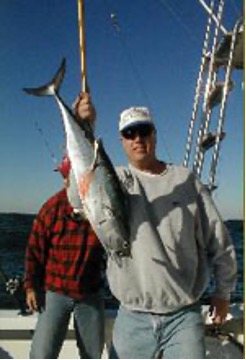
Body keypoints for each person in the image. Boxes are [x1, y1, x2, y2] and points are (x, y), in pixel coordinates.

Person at [74, 93, 237, 359]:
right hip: (132, 316)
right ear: (122, 141)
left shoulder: (186, 180)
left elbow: (218, 239)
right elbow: (76, 193)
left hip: (184, 316)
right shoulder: (114, 178)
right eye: (129, 133)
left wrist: (223, 291)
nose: (137, 138)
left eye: (143, 130)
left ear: (154, 134)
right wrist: (84, 127)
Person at [24, 155, 106, 359]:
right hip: (55, 293)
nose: (65, 180)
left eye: (68, 175)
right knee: (41, 354)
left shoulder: (100, 205)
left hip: (91, 293)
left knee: (92, 355)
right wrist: (31, 286)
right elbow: (34, 250)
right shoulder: (51, 208)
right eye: (64, 176)